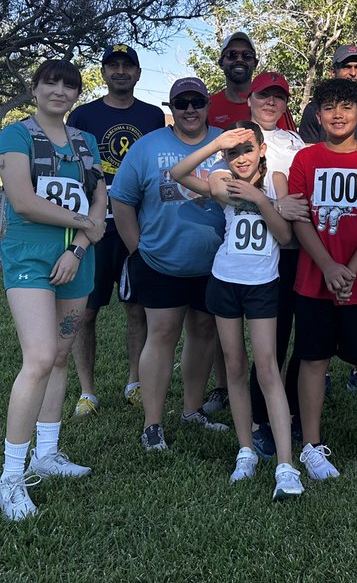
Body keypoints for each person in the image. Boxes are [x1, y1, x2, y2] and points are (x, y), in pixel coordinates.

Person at [0, 59, 107, 520]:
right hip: (30, 258)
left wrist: (78, 247)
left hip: (76, 259)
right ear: (35, 87)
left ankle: (48, 452)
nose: (60, 91)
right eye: (51, 83)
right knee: (38, 358)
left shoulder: (85, 141)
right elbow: (23, 201)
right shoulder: (14, 136)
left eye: (69, 85)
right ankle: (11, 478)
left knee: (60, 355)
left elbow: (99, 196)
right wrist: (84, 223)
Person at [170, 123, 304, 500]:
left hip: (263, 284)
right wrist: (215, 144)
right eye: (233, 152)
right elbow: (178, 174)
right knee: (234, 366)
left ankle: (285, 465)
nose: (241, 157)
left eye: (247, 149)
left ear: (262, 149)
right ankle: (245, 450)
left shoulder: (276, 182)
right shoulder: (223, 180)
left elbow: (285, 236)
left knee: (268, 368)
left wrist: (261, 200)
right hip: (225, 280)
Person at [109, 77, 230, 451]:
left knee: (204, 331)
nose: (190, 109)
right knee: (162, 334)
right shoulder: (148, 146)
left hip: (215, 264)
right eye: (181, 103)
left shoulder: (225, 142)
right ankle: (153, 423)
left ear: (208, 105)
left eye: (197, 102)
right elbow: (121, 199)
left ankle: (192, 409)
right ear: (171, 108)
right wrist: (136, 248)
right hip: (161, 261)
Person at [287, 78, 357, 481]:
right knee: (313, 360)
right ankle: (311, 446)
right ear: (318, 116)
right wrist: (329, 267)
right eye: (329, 107)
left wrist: (348, 269)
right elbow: (300, 218)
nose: (338, 114)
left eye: (346, 107)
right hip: (313, 281)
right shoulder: (305, 160)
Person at [67, 44, 165, 418]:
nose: (120, 71)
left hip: (139, 226)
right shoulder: (83, 115)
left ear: (138, 73)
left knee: (137, 309)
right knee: (85, 312)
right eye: (113, 65)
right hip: (94, 229)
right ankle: (87, 392)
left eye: (128, 66)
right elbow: (72, 169)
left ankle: (134, 383)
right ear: (104, 72)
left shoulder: (152, 116)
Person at [243, 72, 312, 458]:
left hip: (297, 248)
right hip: (259, 250)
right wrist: (273, 205)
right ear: (250, 99)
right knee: (272, 340)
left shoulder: (294, 141)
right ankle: (261, 419)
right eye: (263, 95)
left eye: (278, 97)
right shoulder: (237, 137)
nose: (271, 102)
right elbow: (228, 189)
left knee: (305, 335)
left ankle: (295, 409)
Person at [298, 44, 357, 147]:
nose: (353, 73)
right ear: (333, 72)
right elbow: (308, 153)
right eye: (347, 67)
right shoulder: (314, 109)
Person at [208, 32, 296, 131]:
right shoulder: (206, 106)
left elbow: (291, 139)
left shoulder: (274, 106)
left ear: (255, 63)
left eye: (247, 55)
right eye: (232, 54)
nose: (239, 59)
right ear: (221, 63)